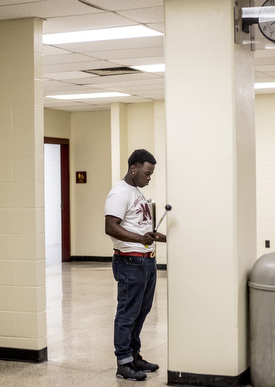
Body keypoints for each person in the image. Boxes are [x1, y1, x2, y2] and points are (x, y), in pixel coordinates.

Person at [104, 149, 167, 381]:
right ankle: (123, 363)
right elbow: (111, 226)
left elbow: (138, 228)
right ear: (134, 168)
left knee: (141, 311)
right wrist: (140, 239)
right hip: (130, 261)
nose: (149, 178)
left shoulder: (136, 193)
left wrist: (153, 236)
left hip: (146, 262)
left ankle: (133, 355)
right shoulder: (120, 193)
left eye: (151, 174)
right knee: (127, 313)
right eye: (147, 173)